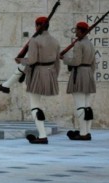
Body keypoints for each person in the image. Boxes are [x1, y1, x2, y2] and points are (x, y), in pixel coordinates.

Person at [18, 16, 60, 145]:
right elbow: (57, 63)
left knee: (35, 105)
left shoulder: (35, 41)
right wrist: (54, 76)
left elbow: (31, 60)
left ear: (37, 26)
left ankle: (42, 135)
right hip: (50, 73)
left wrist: (21, 60)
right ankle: (42, 134)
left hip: (37, 74)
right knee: (37, 105)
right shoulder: (55, 41)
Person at [61, 21, 97, 141]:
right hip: (88, 73)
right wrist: (89, 74)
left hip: (80, 73)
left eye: (76, 30)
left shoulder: (79, 44)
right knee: (87, 106)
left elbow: (76, 62)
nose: (75, 32)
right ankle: (87, 131)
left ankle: (82, 133)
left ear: (81, 31)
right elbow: (94, 64)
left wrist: (64, 58)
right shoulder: (90, 44)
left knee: (80, 106)